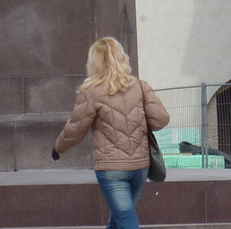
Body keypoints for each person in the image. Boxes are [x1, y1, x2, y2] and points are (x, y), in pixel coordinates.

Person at [51, 37, 169, 229]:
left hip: (111, 168)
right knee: (121, 218)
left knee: (124, 219)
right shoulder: (140, 86)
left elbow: (75, 129)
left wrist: (58, 148)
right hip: (140, 166)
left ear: (94, 62)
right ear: (122, 58)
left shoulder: (91, 92)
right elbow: (161, 120)